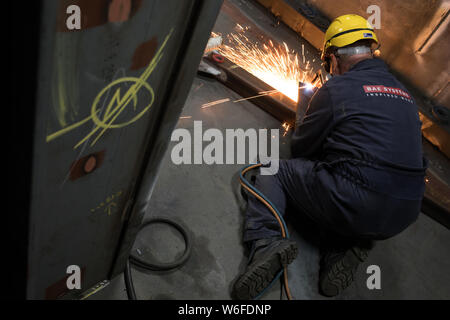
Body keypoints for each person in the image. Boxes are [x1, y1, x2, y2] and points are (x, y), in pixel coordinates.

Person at [232, 14, 427, 299]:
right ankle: (342, 249)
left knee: (276, 171)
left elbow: (302, 148)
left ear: (333, 59)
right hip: (405, 212)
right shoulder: (406, 96)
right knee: (349, 181)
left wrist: (310, 111)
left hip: (355, 198)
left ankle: (265, 242)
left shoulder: (337, 89)